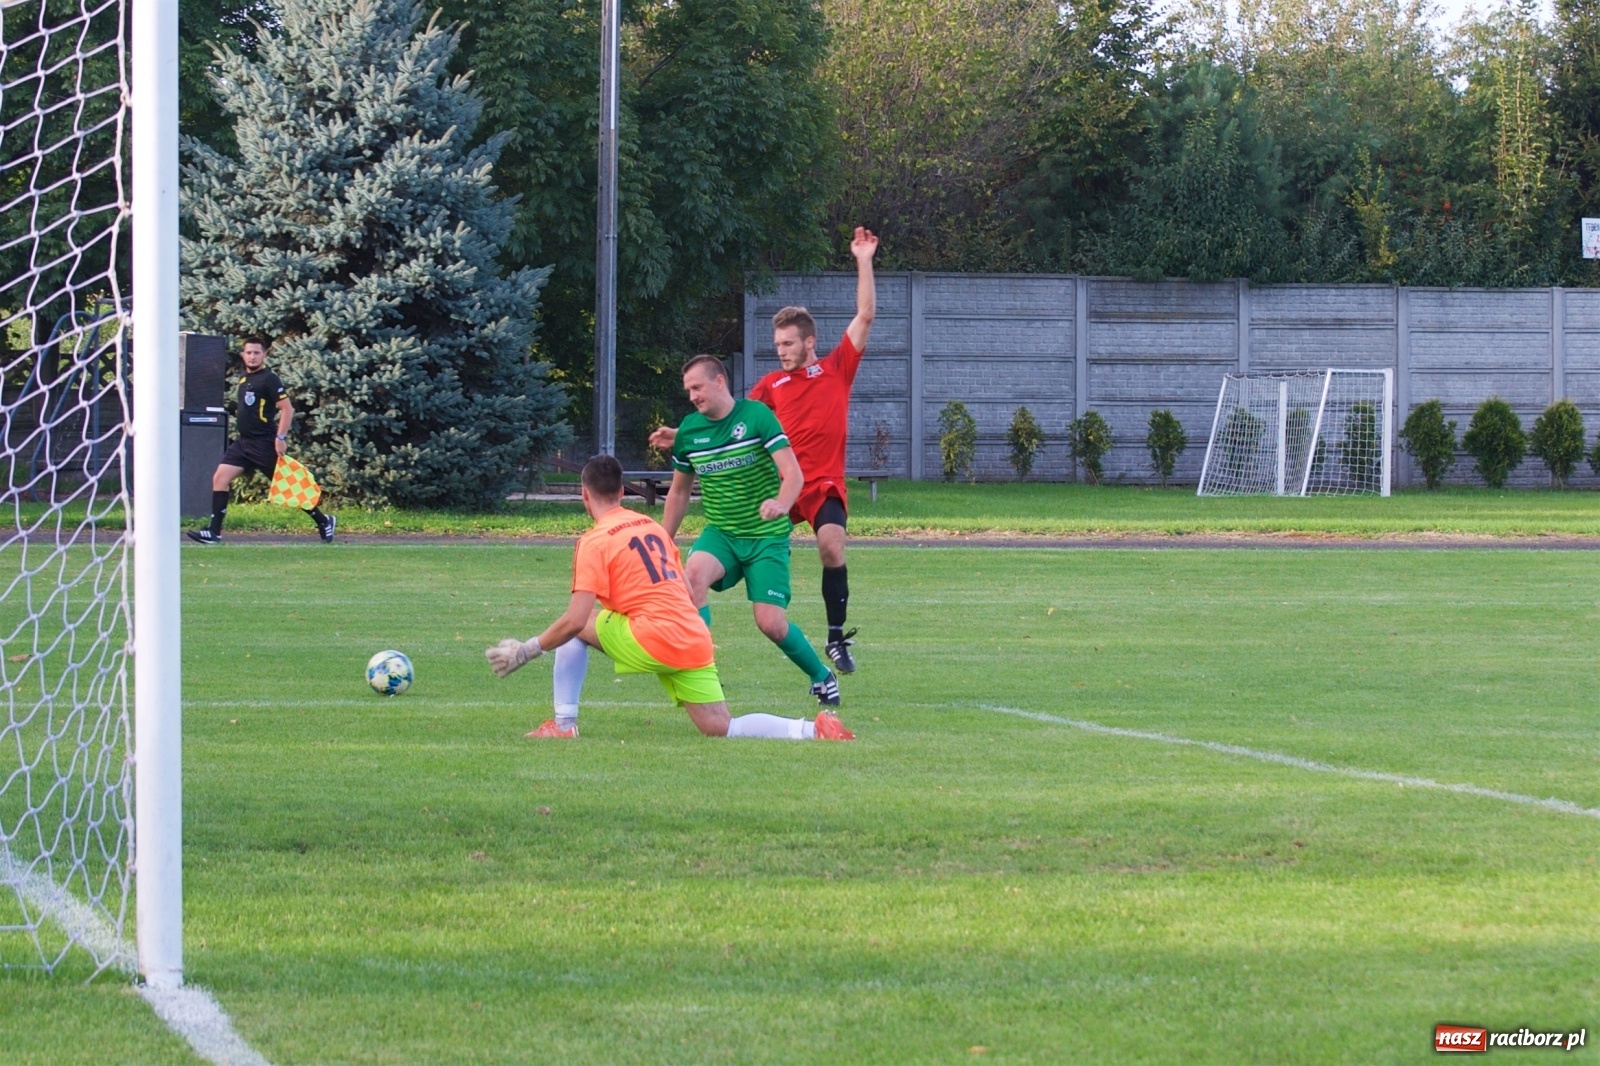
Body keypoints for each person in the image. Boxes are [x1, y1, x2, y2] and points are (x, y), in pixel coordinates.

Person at [485, 455, 852, 742]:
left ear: (584, 494)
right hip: (692, 636)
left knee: (578, 626)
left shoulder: (594, 541)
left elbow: (575, 620)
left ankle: (564, 726)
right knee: (720, 726)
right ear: (623, 492)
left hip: (653, 636)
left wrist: (526, 650)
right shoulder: (652, 527)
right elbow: (681, 588)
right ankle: (812, 730)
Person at [651, 226, 877, 673]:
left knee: (832, 546)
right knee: (735, 547)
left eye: (788, 343)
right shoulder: (771, 385)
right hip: (776, 490)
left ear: (809, 342)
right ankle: (716, 620)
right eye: (776, 345)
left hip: (820, 485)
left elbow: (866, 315)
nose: (781, 352)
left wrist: (863, 260)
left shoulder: (837, 369)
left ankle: (835, 637)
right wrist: (680, 434)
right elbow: (729, 420)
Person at [186, 336, 335, 545]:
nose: (252, 357)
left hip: (263, 443)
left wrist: (280, 437)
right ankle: (214, 532)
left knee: (287, 485)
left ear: (264, 355)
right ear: (243, 355)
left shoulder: (269, 379)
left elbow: (287, 409)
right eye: (249, 352)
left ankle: (324, 520)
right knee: (220, 478)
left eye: (257, 353)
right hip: (243, 444)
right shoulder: (244, 379)